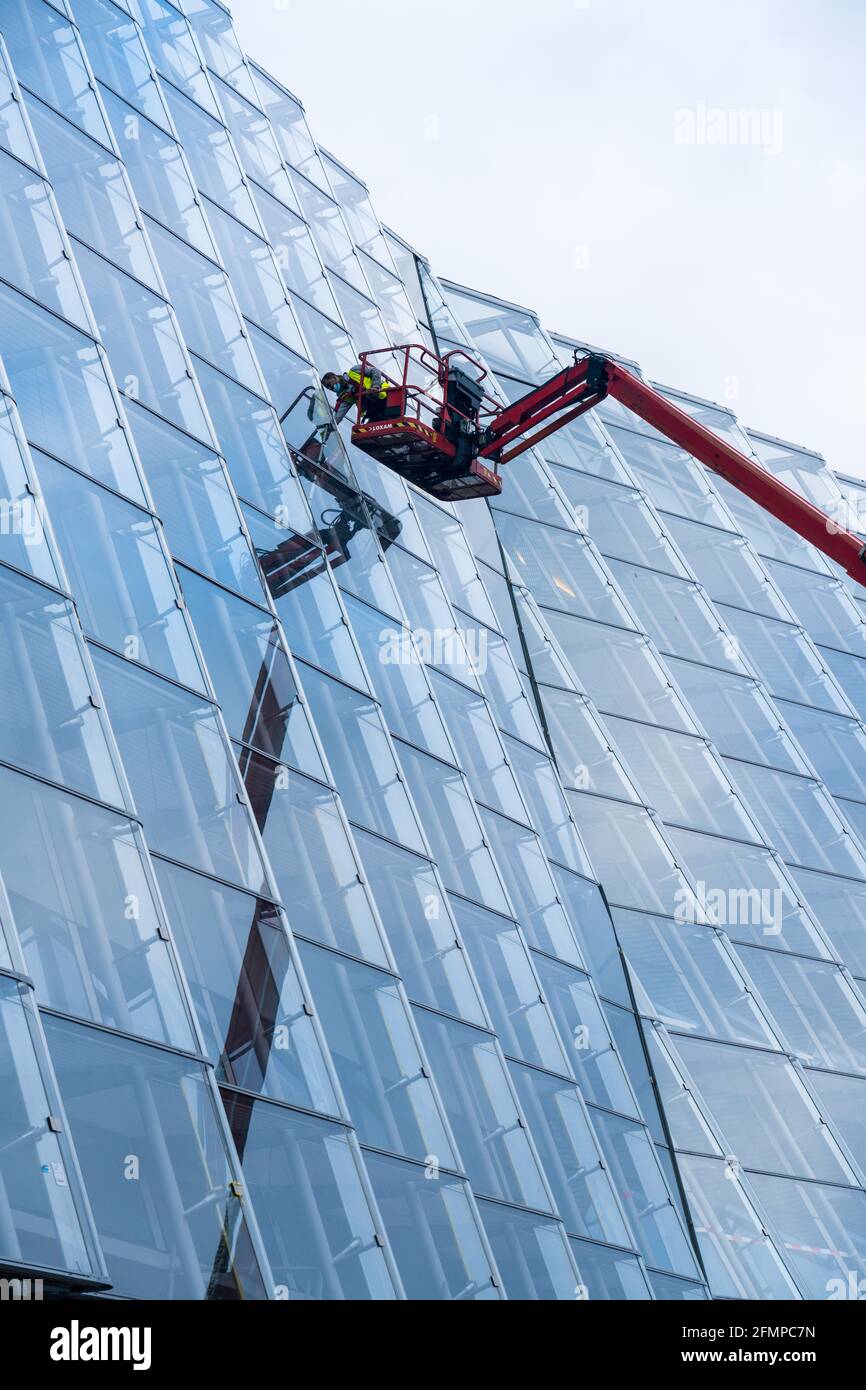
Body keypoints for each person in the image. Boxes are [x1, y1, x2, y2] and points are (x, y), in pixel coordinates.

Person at [322, 363, 388, 426]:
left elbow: (375, 371)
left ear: (334, 377)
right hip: (375, 409)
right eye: (328, 388)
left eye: (329, 384)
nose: (330, 388)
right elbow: (339, 415)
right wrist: (330, 428)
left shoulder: (354, 371)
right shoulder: (345, 396)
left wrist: (375, 386)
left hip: (386, 396)